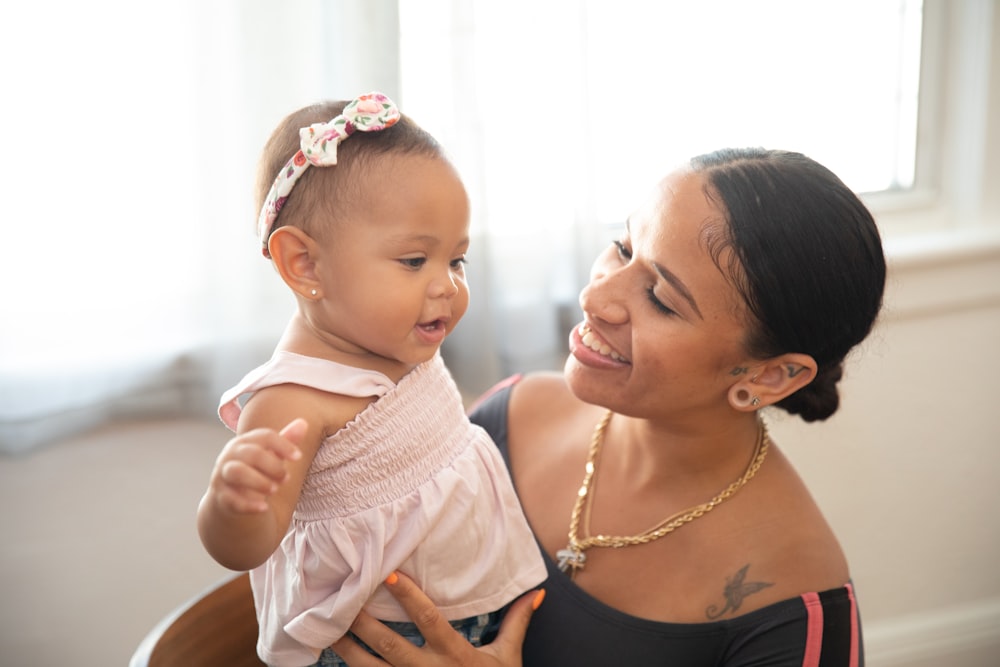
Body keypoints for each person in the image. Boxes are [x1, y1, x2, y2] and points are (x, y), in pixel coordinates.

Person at [330, 147, 885, 666]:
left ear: (769, 375)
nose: (594, 299)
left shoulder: (795, 603)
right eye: (622, 247)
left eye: (662, 300)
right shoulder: (507, 417)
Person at [196, 92, 547, 667]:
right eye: (415, 261)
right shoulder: (294, 398)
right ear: (304, 265)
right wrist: (232, 506)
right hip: (381, 641)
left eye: (457, 261)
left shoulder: (397, 337)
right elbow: (247, 548)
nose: (447, 287)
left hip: (470, 620)